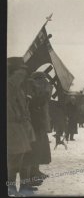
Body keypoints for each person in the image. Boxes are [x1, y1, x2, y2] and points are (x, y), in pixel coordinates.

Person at [7, 57, 36, 196]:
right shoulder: (7, 88)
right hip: (12, 128)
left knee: (23, 158)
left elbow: (24, 109)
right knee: (13, 160)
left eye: (23, 75)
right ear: (11, 73)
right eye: (19, 74)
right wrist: (19, 116)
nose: (22, 77)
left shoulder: (18, 89)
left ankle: (22, 188)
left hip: (22, 128)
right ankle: (11, 188)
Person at [26, 72, 52, 190]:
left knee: (39, 150)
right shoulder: (30, 88)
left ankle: (35, 171)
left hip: (39, 124)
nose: (44, 82)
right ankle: (32, 174)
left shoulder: (37, 89)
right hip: (34, 124)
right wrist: (46, 93)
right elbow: (35, 103)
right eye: (42, 79)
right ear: (37, 79)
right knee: (34, 150)